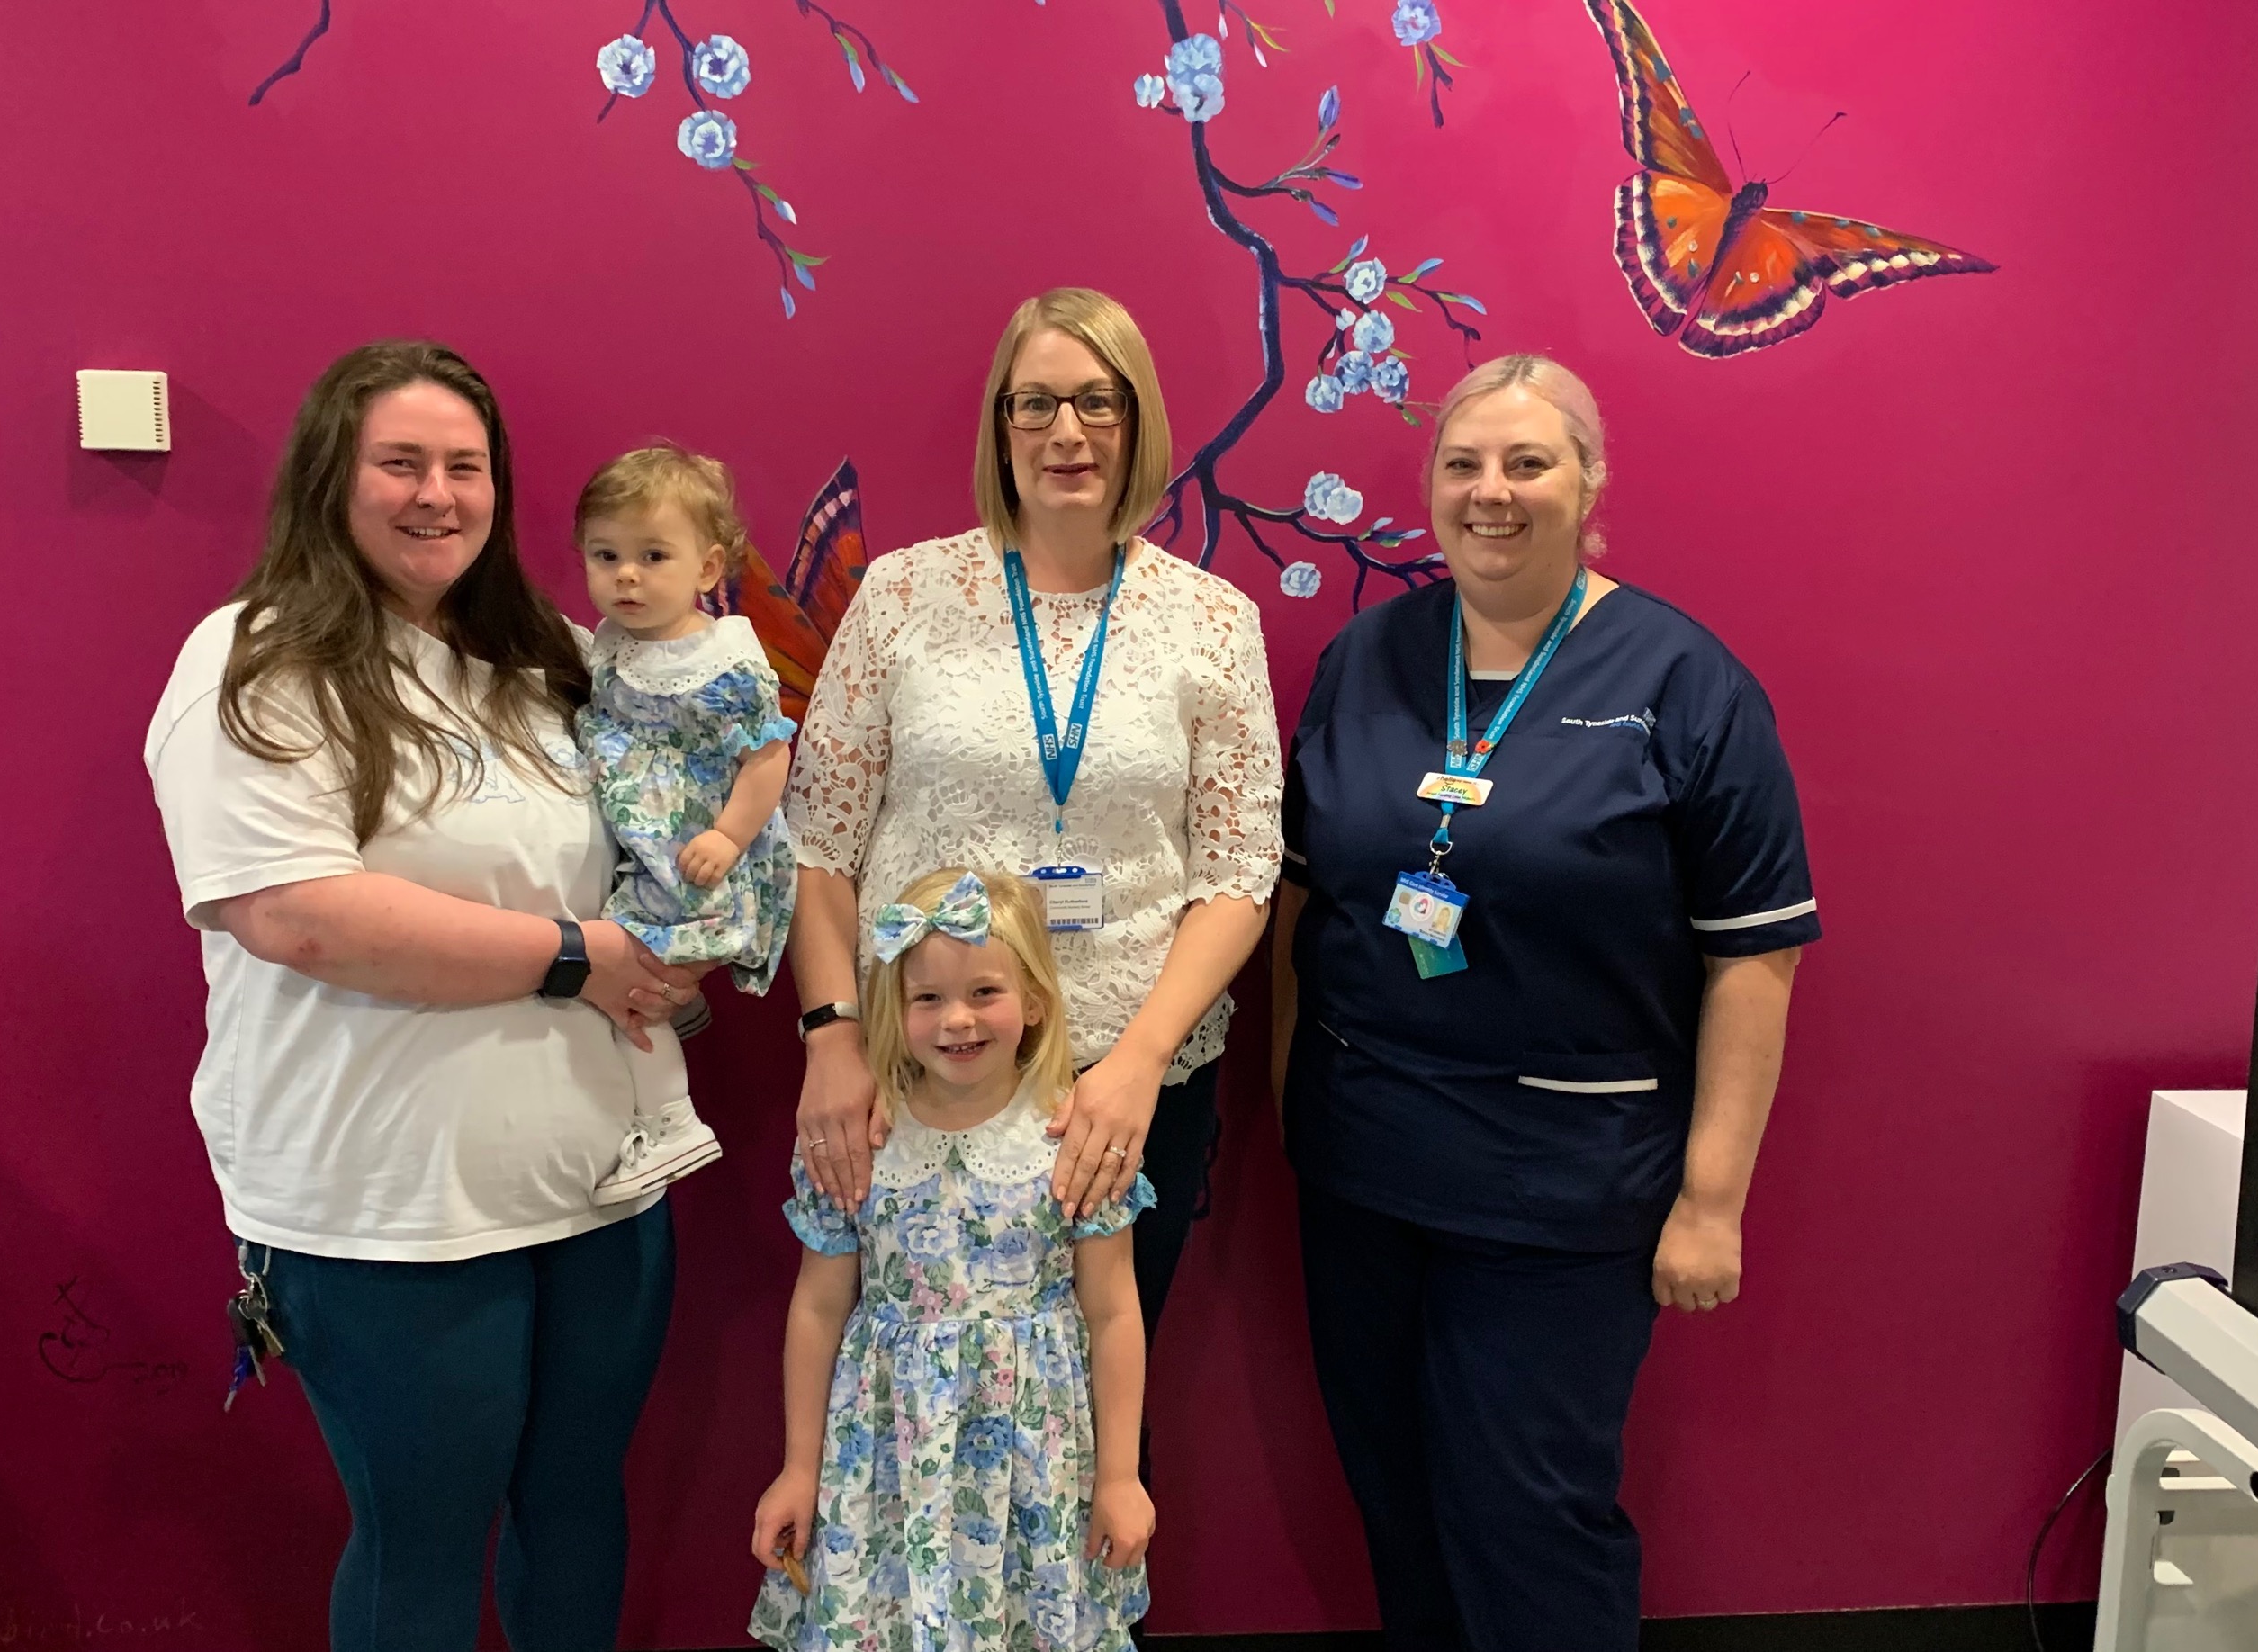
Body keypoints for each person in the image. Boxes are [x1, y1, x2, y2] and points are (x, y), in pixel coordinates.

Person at [143, 340, 697, 1652]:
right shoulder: (253, 664)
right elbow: (297, 913)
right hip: (389, 1208)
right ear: (333, 479)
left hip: (597, 1179)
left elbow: (666, 825)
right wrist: (578, 955)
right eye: (402, 462)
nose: (436, 493)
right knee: (425, 1540)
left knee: (574, 1509)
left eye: (465, 466)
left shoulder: (553, 662)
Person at [1270, 354, 1819, 1651]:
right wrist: (1298, 1104)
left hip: (1560, 1190)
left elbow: (1758, 958)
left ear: (1589, 485)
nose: (1492, 494)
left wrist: (1712, 1201)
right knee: (1397, 1503)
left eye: (1529, 463)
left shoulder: (1684, 684)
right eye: (1464, 465)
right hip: (1364, 1174)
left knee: (1527, 1517)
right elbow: (1303, 903)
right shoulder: (1370, 657)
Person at [783, 287, 1282, 1349]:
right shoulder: (903, 596)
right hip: (922, 1070)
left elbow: (1238, 874)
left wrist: (1141, 1064)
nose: (1067, 432)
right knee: (914, 1382)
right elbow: (819, 845)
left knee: (1106, 1399)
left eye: (1099, 403)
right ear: (1000, 426)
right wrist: (831, 1039)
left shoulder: (1212, 620)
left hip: (1128, 1083)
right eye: (1037, 403)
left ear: (1138, 420)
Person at [749, 868, 1156, 1650]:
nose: (957, 1020)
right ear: (892, 1012)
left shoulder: (1076, 1149)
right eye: (927, 997)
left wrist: (1120, 1475)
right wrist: (800, 1468)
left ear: (1034, 1002)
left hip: (1037, 1465)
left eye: (984, 993)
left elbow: (1112, 1313)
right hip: (887, 1463)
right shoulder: (858, 1146)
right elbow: (819, 1306)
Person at [573, 440, 799, 1200]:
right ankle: (686, 1012)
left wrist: (729, 834)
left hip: (691, 854)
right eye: (605, 555)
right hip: (639, 840)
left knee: (625, 987)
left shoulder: (724, 661)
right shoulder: (609, 642)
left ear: (706, 569)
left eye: (652, 556)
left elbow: (768, 757)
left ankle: (672, 1121)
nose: (626, 575)